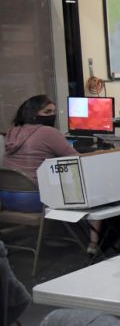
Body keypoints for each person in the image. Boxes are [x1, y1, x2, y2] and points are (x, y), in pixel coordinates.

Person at [2, 95, 105, 254]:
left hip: (7, 198)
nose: (52, 115)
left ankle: (55, 234)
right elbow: (77, 159)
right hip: (37, 200)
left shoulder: (12, 131)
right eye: (47, 111)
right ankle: (93, 243)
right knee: (96, 187)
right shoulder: (48, 132)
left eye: (54, 111)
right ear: (33, 113)